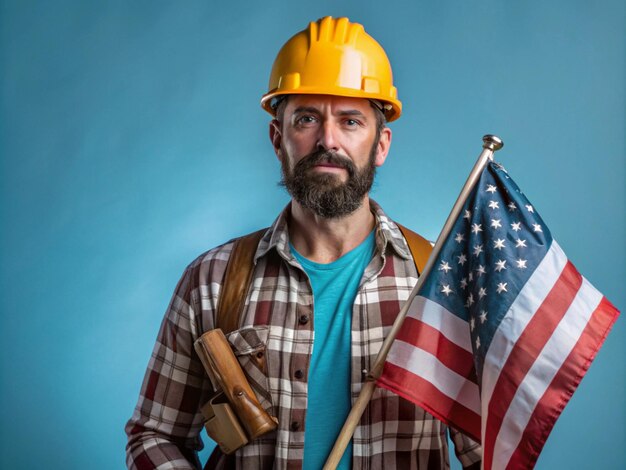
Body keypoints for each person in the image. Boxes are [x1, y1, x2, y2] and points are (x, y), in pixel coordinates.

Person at [126, 16, 481, 470]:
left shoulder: (439, 283)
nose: (328, 140)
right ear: (278, 139)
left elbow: (487, 451)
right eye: (307, 118)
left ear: (381, 145)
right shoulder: (212, 280)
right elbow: (155, 435)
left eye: (351, 121)